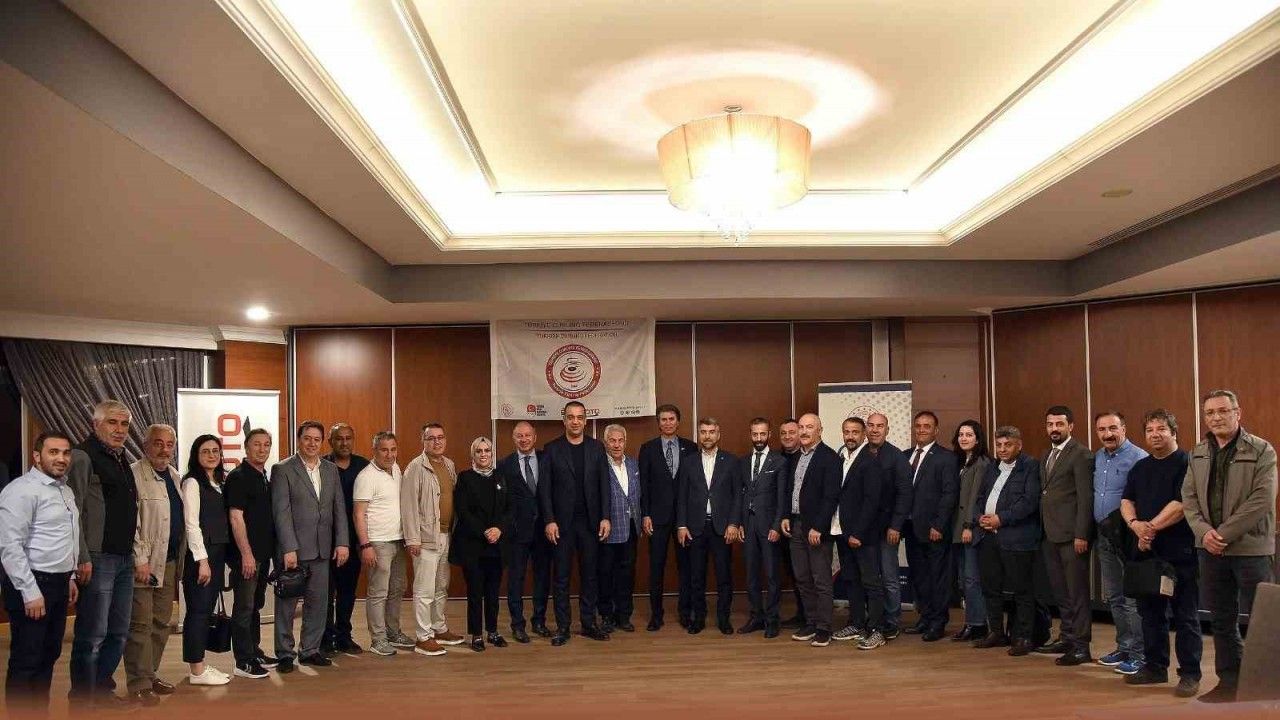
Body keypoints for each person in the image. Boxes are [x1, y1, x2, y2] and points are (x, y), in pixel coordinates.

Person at [1182, 390, 1276, 703]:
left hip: (1251, 549)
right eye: (1210, 412)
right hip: (1210, 551)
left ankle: (1268, 685)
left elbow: (1262, 499)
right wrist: (1204, 533)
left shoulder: (1261, 450)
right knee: (1222, 620)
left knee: (1265, 621)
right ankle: (1229, 682)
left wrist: (1221, 534)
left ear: (1238, 412)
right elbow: (1189, 499)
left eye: (1223, 410)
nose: (1217, 417)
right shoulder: (1198, 452)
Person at [1120, 409, 1201, 698]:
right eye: (1150, 430)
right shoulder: (1141, 467)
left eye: (1161, 429)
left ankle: (1190, 673)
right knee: (1150, 614)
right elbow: (1126, 500)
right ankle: (1155, 667)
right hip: (1146, 553)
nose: (1155, 434)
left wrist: (1149, 529)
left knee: (1185, 616)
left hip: (1180, 553)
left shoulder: (1188, 463)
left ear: (1174, 432)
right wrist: (1135, 525)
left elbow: (1181, 505)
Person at [0, 432, 79, 712]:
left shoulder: (64, 490)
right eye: (53, 452)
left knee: (48, 655)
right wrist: (30, 592)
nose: (61, 458)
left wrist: (70, 576)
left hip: (58, 582)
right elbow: (10, 546)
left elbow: (65, 537)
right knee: (27, 660)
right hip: (32, 584)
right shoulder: (21, 490)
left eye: (65, 453)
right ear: (37, 456)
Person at [67, 399, 138, 705]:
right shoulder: (82, 456)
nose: (119, 430)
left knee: (118, 632)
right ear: (95, 424)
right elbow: (73, 511)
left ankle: (102, 690)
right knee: (92, 634)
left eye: (124, 424)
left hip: (124, 558)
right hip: (97, 558)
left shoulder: (122, 457)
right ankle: (83, 698)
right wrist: (82, 556)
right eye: (112, 422)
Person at [271, 421, 351, 672]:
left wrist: (342, 542)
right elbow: (281, 512)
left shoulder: (330, 469)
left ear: (322, 442)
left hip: (322, 548)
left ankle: (310, 650)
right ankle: (285, 654)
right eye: (307, 438)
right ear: (299, 440)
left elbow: (339, 508)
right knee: (287, 605)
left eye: (317, 439)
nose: (312, 443)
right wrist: (289, 547)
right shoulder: (283, 469)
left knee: (318, 603)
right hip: (294, 550)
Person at [540, 401, 612, 644]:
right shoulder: (551, 449)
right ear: (564, 420)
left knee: (590, 576)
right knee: (561, 578)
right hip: (562, 525)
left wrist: (606, 516)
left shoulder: (596, 448)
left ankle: (589, 623)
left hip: (590, 524)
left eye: (579, 417)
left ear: (585, 421)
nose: (575, 421)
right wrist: (549, 520)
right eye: (570, 417)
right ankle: (563, 627)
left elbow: (605, 485)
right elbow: (544, 490)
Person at [124, 424, 185, 704]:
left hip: (169, 561)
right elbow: (130, 523)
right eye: (158, 443)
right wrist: (139, 560)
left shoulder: (175, 476)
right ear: (146, 445)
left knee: (161, 622)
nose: (164, 449)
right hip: (144, 563)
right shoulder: (134, 474)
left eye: (169, 444)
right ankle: (138, 683)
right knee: (140, 625)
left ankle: (150, 674)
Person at [972, 426, 1042, 656]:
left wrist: (1000, 519)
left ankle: (1024, 637)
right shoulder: (991, 467)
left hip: (1017, 539)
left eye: (1008, 445)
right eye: (999, 445)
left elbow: (1029, 502)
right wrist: (979, 517)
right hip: (987, 536)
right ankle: (996, 632)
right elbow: (980, 497)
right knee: (990, 587)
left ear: (1018, 445)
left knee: (1022, 590)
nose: (1002, 449)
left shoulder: (1030, 466)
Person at [1035, 406, 1095, 665]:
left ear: (1070, 426)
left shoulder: (1081, 454)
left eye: (1059, 424)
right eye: (1050, 424)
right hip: (1050, 534)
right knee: (1061, 592)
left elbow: (1085, 498)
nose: (1054, 429)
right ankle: (1067, 637)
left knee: (1077, 593)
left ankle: (1081, 647)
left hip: (1073, 537)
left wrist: (1082, 534)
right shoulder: (1046, 454)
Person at [1093, 411, 1149, 675]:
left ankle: (1140, 654)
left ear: (1124, 429)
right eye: (1102, 429)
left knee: (1132, 598)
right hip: (1104, 536)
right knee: (1114, 596)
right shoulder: (1098, 457)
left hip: (1129, 537)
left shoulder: (1139, 458)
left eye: (1113, 428)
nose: (1108, 434)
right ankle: (1124, 647)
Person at [401, 423, 464, 656]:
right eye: (431, 438)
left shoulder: (449, 465)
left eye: (440, 437)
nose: (436, 442)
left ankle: (439, 628)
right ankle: (423, 636)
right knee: (424, 589)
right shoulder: (415, 468)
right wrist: (412, 539)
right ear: (423, 441)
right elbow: (408, 506)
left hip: (446, 535)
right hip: (425, 538)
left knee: (441, 586)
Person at [676, 418, 743, 635]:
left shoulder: (731, 461)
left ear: (718, 434)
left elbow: (737, 496)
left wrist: (734, 523)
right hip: (695, 528)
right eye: (703, 432)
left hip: (722, 528)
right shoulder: (688, 462)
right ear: (699, 434)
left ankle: (724, 619)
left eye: (711, 431)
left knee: (724, 576)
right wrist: (681, 525)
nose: (707, 436)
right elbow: (681, 496)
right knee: (696, 577)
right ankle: (699, 618)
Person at [781, 413, 841, 647]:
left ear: (820, 430)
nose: (804, 431)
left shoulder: (830, 458)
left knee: (821, 580)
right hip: (795, 525)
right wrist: (786, 516)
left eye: (809, 427)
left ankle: (824, 628)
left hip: (816, 529)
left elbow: (831, 497)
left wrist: (819, 527)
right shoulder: (796, 457)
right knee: (802, 578)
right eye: (801, 427)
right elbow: (791, 490)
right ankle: (811, 622)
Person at [637, 404, 697, 631]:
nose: (668, 423)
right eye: (663, 419)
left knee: (686, 567)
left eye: (672, 419)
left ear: (678, 422)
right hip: (657, 518)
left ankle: (685, 613)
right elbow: (643, 485)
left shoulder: (691, 448)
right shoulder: (648, 448)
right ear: (658, 423)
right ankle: (656, 615)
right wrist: (645, 514)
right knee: (656, 567)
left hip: (684, 519)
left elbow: (695, 484)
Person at [224, 428, 278, 680]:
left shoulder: (263, 476)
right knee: (244, 608)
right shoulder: (239, 477)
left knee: (255, 605)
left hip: (262, 555)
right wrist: (246, 555)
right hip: (247, 557)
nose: (262, 449)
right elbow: (236, 518)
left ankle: (254, 652)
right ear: (246, 447)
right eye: (257, 444)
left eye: (266, 445)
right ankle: (243, 661)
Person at [449, 437, 511, 652]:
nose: (483, 454)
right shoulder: (465, 478)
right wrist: (484, 531)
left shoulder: (501, 476)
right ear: (473, 455)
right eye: (479, 451)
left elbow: (510, 509)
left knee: (493, 592)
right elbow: (463, 510)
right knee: (475, 592)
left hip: (496, 544)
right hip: (473, 545)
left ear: (492, 453)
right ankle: (476, 635)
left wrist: (499, 529)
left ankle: (492, 632)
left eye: (487, 450)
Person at [179, 435, 232, 686]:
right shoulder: (192, 482)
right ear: (196, 455)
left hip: (217, 555)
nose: (211, 455)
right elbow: (192, 524)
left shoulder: (220, 482)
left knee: (205, 610)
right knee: (198, 612)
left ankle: (200, 665)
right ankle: (197, 671)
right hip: (201, 556)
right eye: (205, 451)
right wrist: (202, 560)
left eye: (215, 451)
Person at [831, 417, 887, 651]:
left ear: (864, 434)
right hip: (842, 531)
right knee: (851, 580)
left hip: (862, 535)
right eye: (847, 432)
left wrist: (859, 533)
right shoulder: (841, 458)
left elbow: (872, 501)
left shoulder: (870, 461)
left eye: (855, 432)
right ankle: (856, 624)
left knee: (871, 582)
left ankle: (877, 630)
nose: (850, 436)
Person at [902, 411, 958, 641]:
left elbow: (949, 494)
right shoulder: (905, 455)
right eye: (918, 425)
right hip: (910, 528)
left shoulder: (946, 458)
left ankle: (938, 622)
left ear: (936, 430)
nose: (921, 430)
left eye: (927, 426)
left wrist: (939, 525)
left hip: (934, 529)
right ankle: (925, 617)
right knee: (919, 577)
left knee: (937, 578)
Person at [354, 431, 411, 656]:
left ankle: (393, 632)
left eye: (393, 449)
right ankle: (378, 640)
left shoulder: (396, 469)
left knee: (397, 588)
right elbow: (358, 514)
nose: (389, 455)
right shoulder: (366, 476)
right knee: (378, 592)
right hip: (377, 542)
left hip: (398, 540)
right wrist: (365, 545)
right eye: (384, 450)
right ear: (374, 451)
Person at [499, 421, 552, 643]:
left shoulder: (547, 459)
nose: (524, 439)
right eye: (519, 436)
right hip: (516, 533)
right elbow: (501, 501)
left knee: (542, 578)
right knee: (516, 579)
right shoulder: (504, 465)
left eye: (527, 435)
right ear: (514, 438)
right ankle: (517, 625)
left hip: (544, 531)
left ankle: (539, 621)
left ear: (535, 437)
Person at [737, 417, 789, 638]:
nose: (758, 438)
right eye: (755, 434)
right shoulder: (743, 461)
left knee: (772, 575)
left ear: (769, 435)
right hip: (748, 525)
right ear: (750, 434)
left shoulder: (779, 461)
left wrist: (777, 525)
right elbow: (740, 495)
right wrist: (740, 523)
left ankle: (772, 619)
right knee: (751, 574)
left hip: (769, 527)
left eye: (762, 434)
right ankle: (756, 616)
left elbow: (782, 498)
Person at [865, 412, 912, 639]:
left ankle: (892, 621)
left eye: (880, 426)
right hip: (865, 530)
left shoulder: (897, 457)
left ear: (887, 430)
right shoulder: (860, 454)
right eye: (871, 425)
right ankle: (873, 618)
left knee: (889, 576)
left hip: (887, 529)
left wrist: (896, 526)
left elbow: (905, 494)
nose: (875, 430)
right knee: (870, 577)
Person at [322, 423, 369, 655]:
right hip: (325, 541)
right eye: (339, 438)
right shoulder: (321, 465)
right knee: (325, 593)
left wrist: (365, 542)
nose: (344, 443)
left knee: (348, 592)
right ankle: (325, 638)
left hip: (354, 539)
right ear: (330, 441)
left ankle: (343, 636)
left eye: (348, 438)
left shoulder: (364, 466)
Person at [598, 424, 642, 633]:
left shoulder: (633, 464)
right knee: (605, 574)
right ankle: (606, 616)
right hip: (607, 529)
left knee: (627, 575)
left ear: (625, 442)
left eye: (620, 440)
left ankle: (624, 616)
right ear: (605, 443)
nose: (616, 445)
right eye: (612, 440)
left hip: (631, 528)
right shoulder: (599, 466)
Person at [951, 420, 991, 642]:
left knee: (972, 579)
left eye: (969, 434)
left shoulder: (981, 463)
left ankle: (978, 624)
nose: (964, 438)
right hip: (957, 529)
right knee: (963, 580)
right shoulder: (961, 462)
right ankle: (970, 622)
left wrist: (968, 526)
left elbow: (975, 498)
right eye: (961, 434)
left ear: (977, 439)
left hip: (971, 530)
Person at [776, 417, 805, 627]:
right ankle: (801, 614)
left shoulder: (805, 458)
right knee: (790, 571)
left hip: (800, 524)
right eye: (783, 433)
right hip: (779, 525)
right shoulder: (775, 458)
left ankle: (807, 616)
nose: (787, 436)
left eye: (792, 432)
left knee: (803, 573)